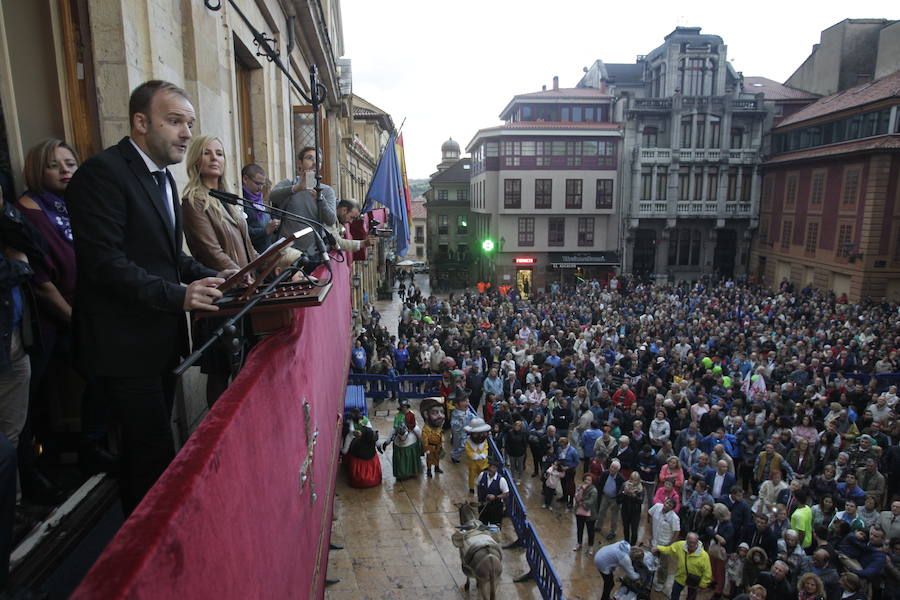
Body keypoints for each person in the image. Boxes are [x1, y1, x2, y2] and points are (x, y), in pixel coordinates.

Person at [66, 80, 227, 514]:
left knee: (153, 455)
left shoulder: (162, 179)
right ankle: (145, 558)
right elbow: (105, 264)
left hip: (157, 343)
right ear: (140, 123)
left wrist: (222, 276)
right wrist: (179, 295)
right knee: (149, 457)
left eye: (189, 124)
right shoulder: (102, 174)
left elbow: (167, 258)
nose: (186, 134)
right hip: (122, 348)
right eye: (174, 122)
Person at [180, 135, 264, 406]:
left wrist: (282, 263)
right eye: (207, 153)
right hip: (220, 298)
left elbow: (250, 249)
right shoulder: (193, 201)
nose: (215, 158)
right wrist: (243, 275)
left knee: (244, 369)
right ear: (196, 159)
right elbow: (211, 253)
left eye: (219, 153)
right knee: (220, 372)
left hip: (244, 293)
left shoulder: (228, 200)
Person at [269, 146, 336, 258]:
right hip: (289, 253)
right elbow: (272, 196)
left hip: (315, 252)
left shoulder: (327, 191)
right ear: (299, 163)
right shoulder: (289, 184)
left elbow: (331, 220)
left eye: (318, 160)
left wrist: (320, 199)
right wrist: (297, 188)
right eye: (310, 158)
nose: (314, 162)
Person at [653, 532, 712, 600]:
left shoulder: (704, 556)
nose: (692, 545)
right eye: (690, 542)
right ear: (686, 541)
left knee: (691, 597)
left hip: (694, 581)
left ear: (697, 542)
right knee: (674, 594)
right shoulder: (680, 545)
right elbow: (669, 549)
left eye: (694, 542)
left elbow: (707, 572)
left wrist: (703, 583)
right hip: (680, 577)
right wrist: (658, 548)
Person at [240, 163, 279, 253]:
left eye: (262, 184)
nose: (260, 188)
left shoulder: (260, 200)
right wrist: (265, 230)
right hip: (252, 255)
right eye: (257, 183)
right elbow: (242, 231)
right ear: (245, 179)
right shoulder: (241, 201)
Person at [649, 497, 681, 592]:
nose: (667, 505)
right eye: (666, 502)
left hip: (665, 544)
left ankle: (661, 582)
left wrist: (670, 545)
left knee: (663, 565)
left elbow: (676, 532)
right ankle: (650, 577)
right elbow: (650, 517)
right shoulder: (657, 507)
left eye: (670, 505)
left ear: (672, 508)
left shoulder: (674, 518)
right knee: (651, 560)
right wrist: (650, 533)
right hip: (654, 541)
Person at [595, 459, 624, 541]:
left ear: (618, 470)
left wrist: (619, 499)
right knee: (601, 511)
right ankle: (598, 526)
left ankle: (612, 532)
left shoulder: (621, 478)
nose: (612, 469)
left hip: (614, 499)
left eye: (615, 468)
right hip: (605, 496)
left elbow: (621, 490)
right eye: (611, 467)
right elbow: (600, 484)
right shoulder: (605, 473)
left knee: (614, 516)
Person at [475, 461, 508, 528]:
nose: (491, 469)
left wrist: (495, 497)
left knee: (494, 528)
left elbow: (506, 494)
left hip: (495, 508)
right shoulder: (482, 475)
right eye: (490, 467)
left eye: (493, 467)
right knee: (482, 526)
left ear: (496, 469)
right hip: (483, 506)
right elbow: (477, 485)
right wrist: (480, 498)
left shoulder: (501, 480)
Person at [420, 397, 446, 478]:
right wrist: (426, 448)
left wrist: (442, 444)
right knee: (430, 459)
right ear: (426, 414)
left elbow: (441, 435)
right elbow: (424, 440)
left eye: (442, 412)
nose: (440, 416)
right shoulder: (426, 430)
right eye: (435, 413)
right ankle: (429, 470)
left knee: (437, 457)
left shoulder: (438, 428)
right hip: (430, 447)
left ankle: (437, 468)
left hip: (438, 446)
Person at [573, 473, 599, 554]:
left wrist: (582, 501)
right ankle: (579, 543)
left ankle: (590, 546)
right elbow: (576, 497)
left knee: (590, 531)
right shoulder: (580, 487)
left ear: (592, 482)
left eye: (589, 480)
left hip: (590, 514)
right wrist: (580, 493)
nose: (586, 481)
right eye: (586, 479)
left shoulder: (593, 490)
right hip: (580, 512)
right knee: (579, 528)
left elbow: (591, 501)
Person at [463, 417, 491, 493]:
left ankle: (482, 486)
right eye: (477, 433)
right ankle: (471, 488)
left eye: (482, 433)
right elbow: (468, 451)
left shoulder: (484, 441)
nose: (480, 436)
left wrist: (484, 455)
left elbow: (486, 448)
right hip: (473, 463)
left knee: (483, 476)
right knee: (472, 475)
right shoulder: (468, 442)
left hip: (483, 462)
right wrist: (475, 456)